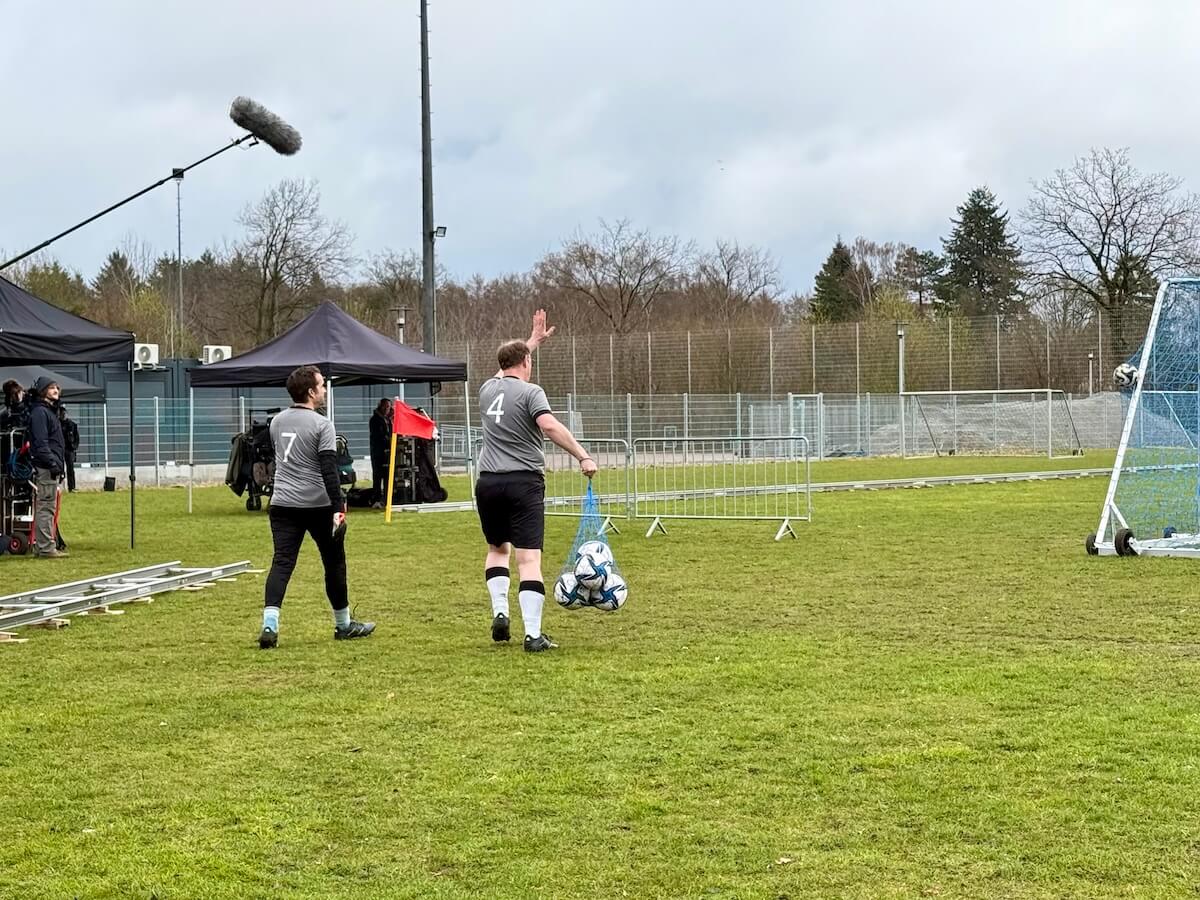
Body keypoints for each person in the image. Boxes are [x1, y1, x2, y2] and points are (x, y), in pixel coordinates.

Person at [475, 310, 597, 653]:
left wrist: (531, 342)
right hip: (523, 482)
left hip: (487, 482)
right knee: (529, 560)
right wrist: (582, 454)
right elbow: (549, 426)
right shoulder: (531, 392)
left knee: (497, 550)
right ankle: (533, 635)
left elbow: (506, 365)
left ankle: (500, 613)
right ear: (527, 362)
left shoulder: (487, 389)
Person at [258, 365, 375, 649]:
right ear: (311, 392)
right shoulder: (323, 425)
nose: (324, 389)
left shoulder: (276, 422)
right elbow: (328, 469)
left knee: (282, 563)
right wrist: (339, 506)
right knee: (334, 562)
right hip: (317, 504)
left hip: (282, 503)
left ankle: (270, 624)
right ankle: (343, 624)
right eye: (321, 385)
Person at [26, 376, 67, 558]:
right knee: (46, 507)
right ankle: (45, 548)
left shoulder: (48, 412)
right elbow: (41, 444)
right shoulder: (40, 413)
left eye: (57, 388)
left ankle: (45, 546)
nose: (56, 390)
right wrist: (52, 463)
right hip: (46, 467)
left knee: (48, 507)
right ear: (43, 391)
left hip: (51, 466)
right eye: (51, 388)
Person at [368, 397, 392, 508]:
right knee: (378, 476)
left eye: (389, 406)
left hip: (387, 452)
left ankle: (387, 498)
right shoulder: (375, 420)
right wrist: (388, 440)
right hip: (378, 452)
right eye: (386, 406)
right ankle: (376, 499)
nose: (387, 409)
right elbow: (378, 436)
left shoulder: (388, 420)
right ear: (380, 406)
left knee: (387, 476)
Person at [58, 404, 81, 492]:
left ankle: (72, 487)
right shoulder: (57, 424)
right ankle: (58, 487)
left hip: (69, 449)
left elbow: (76, 437)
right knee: (59, 468)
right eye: (62, 413)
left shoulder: (72, 425)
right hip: (60, 449)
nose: (63, 415)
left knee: (70, 468)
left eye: (64, 413)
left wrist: (74, 446)